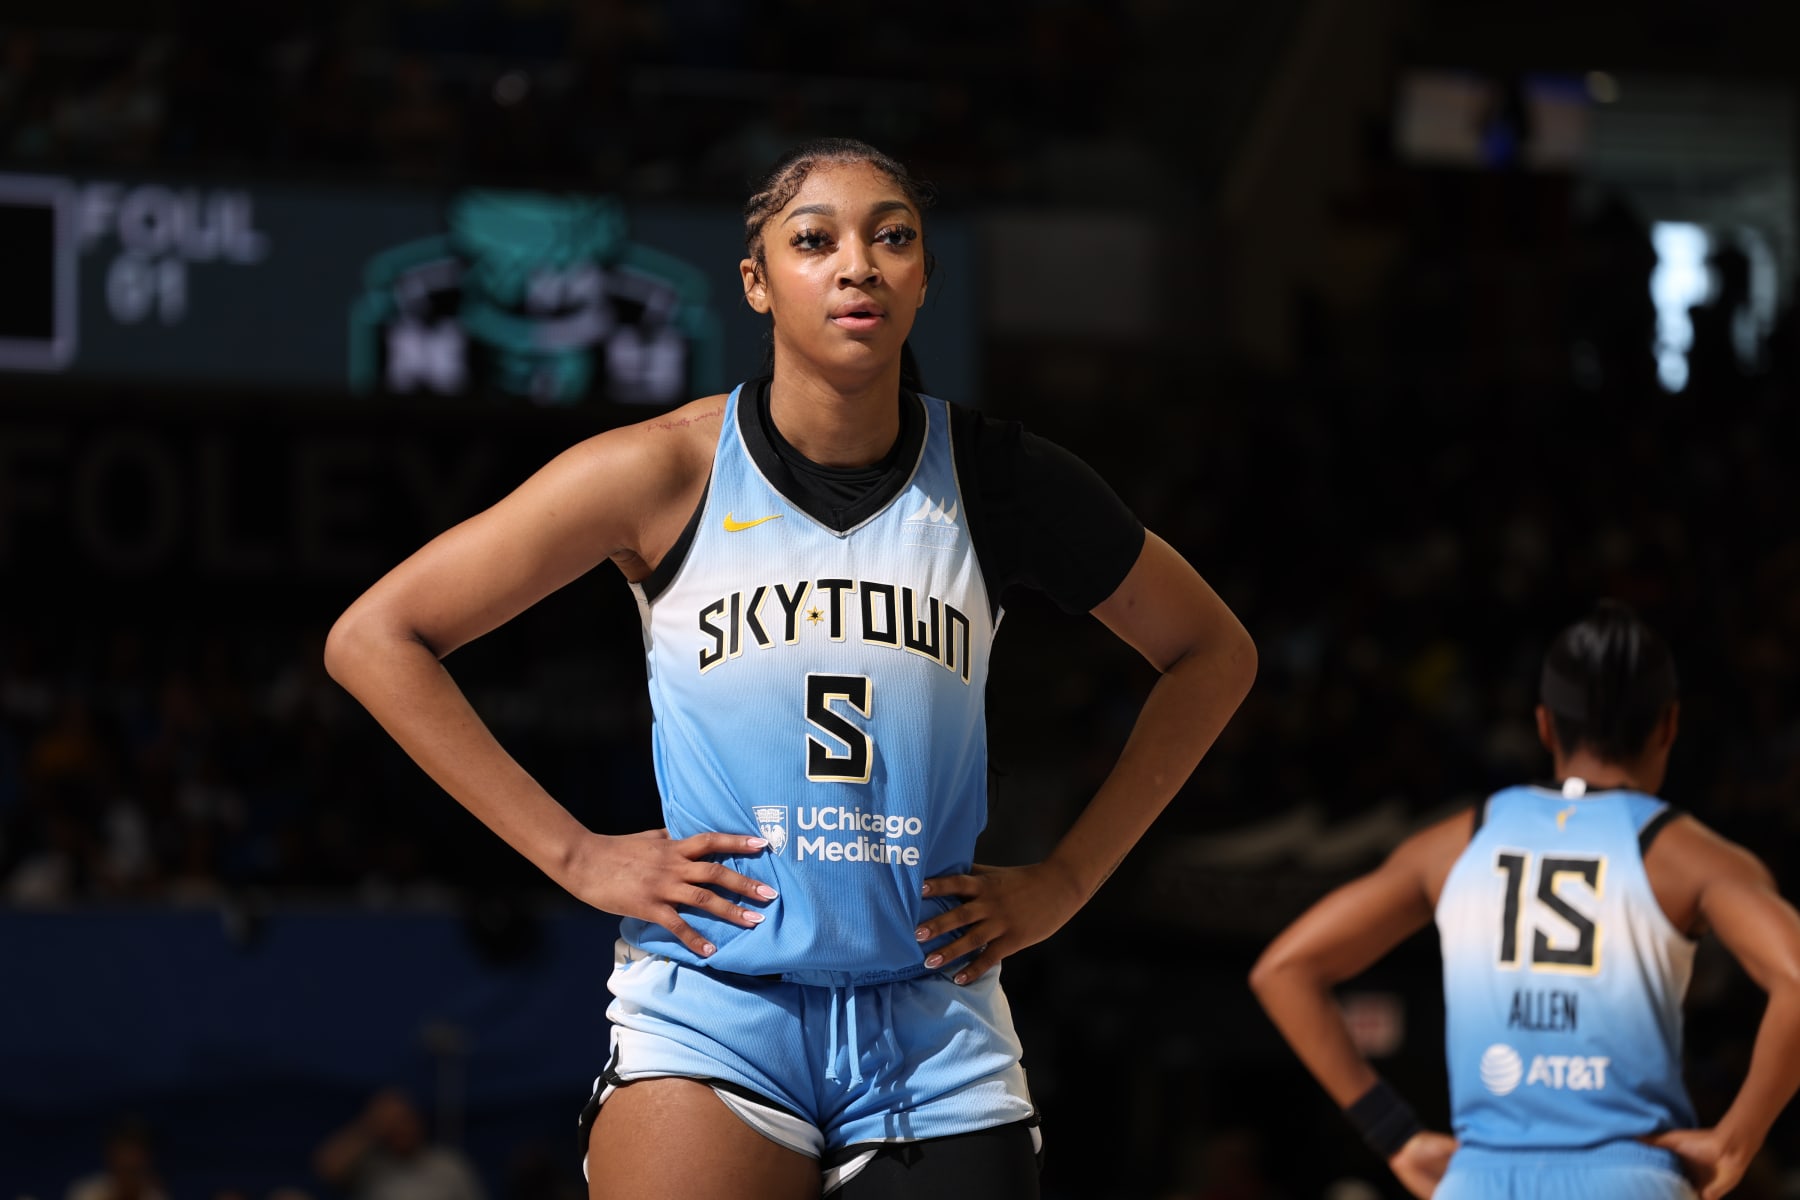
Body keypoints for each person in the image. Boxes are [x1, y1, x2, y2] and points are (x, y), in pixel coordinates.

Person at [324, 137, 1255, 1200]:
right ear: (757, 282)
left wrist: (1069, 880)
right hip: (716, 1006)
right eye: (814, 241)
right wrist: (576, 856)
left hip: (931, 1016)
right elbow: (375, 638)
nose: (857, 265)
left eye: (892, 238)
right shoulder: (664, 468)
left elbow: (1212, 654)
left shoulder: (1001, 479)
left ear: (923, 278)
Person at [1250, 601, 1800, 1200]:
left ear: (1544, 725)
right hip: (1627, 1177)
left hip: (1479, 1180)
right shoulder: (1689, 856)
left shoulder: (1455, 843)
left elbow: (1284, 970)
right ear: (1668, 725)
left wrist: (1394, 1134)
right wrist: (1736, 1140)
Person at [312, 1087, 486, 1200]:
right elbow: (328, 1168)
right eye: (393, 1125)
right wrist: (370, 1127)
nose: (401, 1129)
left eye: (405, 1120)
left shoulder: (449, 1165)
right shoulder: (369, 1167)